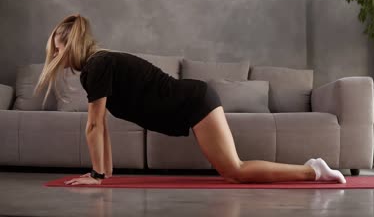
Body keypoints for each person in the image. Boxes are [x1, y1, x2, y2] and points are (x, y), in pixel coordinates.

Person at [34, 14, 347, 185]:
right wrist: (104, 174)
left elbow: (93, 125)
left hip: (193, 101)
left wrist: (97, 175)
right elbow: (100, 126)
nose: (55, 56)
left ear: (71, 45)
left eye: (58, 49)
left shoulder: (96, 66)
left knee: (234, 171)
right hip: (192, 99)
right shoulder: (99, 64)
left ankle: (313, 170)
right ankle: (313, 169)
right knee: (231, 170)